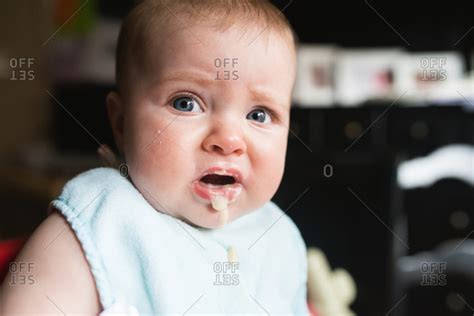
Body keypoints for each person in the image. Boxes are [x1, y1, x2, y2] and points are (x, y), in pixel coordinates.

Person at [0, 0, 309, 314]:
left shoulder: (278, 239)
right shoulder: (105, 217)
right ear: (121, 123)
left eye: (259, 114)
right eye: (186, 104)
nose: (228, 141)